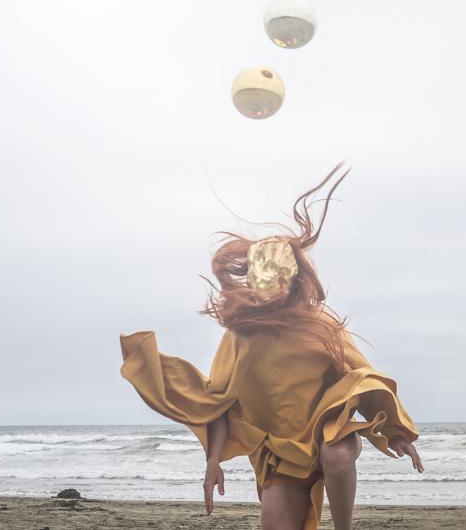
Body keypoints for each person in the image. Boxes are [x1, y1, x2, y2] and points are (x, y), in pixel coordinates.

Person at [119, 162, 423, 530]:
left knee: (336, 455)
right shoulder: (240, 338)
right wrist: (212, 461)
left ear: (292, 283)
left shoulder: (322, 326)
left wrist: (396, 432)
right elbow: (219, 400)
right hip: (281, 455)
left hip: (328, 433)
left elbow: (361, 378)